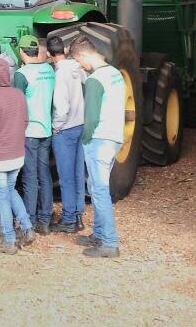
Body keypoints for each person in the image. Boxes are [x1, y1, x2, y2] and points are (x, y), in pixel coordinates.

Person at [69, 36, 125, 258]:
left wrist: (85, 139)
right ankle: (99, 234)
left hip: (98, 139)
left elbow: (90, 117)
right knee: (96, 187)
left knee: (99, 190)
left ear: (84, 55)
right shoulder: (114, 73)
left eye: (79, 61)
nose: (80, 66)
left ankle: (109, 243)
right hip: (114, 138)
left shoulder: (95, 80)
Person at [0, 57, 35, 254]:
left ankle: (9, 240)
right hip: (17, 153)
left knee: (1, 198)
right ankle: (27, 227)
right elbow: (26, 121)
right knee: (10, 191)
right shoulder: (19, 95)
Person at [13, 35, 56, 234]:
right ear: (37, 51)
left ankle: (29, 220)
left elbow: (17, 105)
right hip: (46, 130)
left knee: (30, 177)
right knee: (44, 174)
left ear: (21, 52)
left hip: (29, 132)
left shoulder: (21, 75)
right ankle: (45, 220)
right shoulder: (48, 70)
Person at [48, 35, 87, 233]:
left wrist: (56, 126)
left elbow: (61, 107)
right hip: (81, 125)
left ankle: (69, 219)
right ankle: (79, 215)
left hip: (66, 130)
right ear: (63, 50)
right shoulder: (76, 67)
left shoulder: (60, 74)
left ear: (49, 54)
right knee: (79, 173)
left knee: (66, 177)